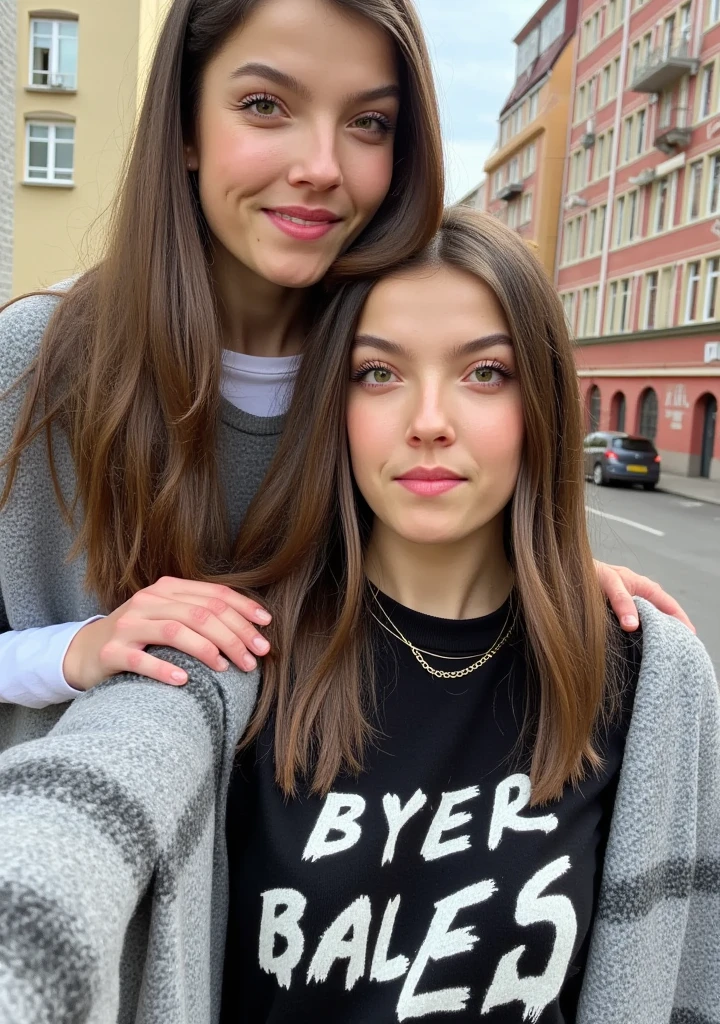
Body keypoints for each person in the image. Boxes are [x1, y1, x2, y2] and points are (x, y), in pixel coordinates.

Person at [0, 210, 716, 1024]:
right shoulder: (233, 656)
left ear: (541, 403)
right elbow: (66, 833)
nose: (429, 420)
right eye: (379, 373)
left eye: (485, 373)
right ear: (329, 405)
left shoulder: (646, 677)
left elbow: (685, 971)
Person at [0, 0, 690, 746]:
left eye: (369, 123)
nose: (321, 169)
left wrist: (533, 576)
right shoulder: (39, 356)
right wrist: (78, 650)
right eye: (265, 106)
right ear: (186, 127)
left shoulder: (383, 359)